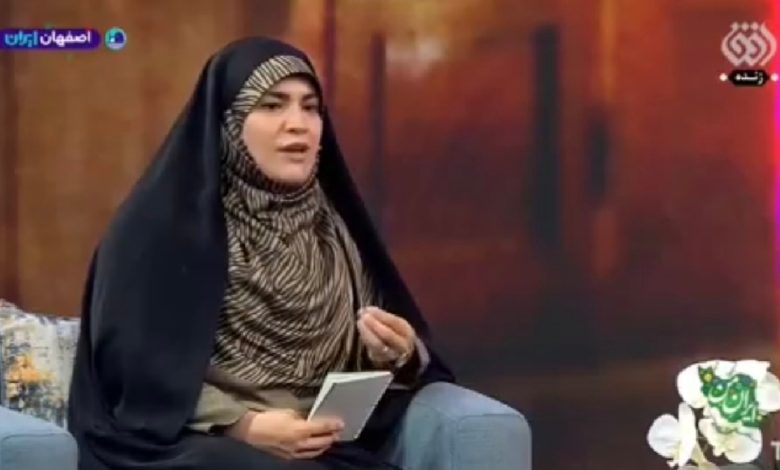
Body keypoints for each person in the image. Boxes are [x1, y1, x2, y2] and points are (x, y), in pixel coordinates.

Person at [67, 37, 455, 470]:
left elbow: (373, 366)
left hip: (322, 446)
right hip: (189, 443)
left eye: (310, 107)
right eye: (271, 106)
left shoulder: (338, 232)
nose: (298, 124)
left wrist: (399, 353)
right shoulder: (161, 227)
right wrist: (242, 424)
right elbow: (133, 370)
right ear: (228, 122)